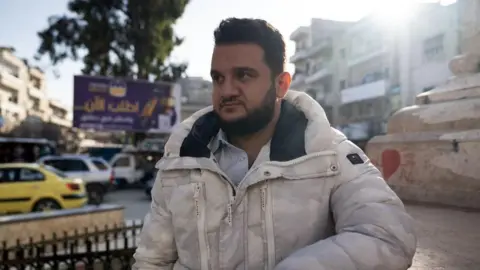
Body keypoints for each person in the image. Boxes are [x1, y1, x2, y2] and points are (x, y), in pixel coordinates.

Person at [133, 18, 417, 270]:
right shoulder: (181, 159)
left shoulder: (327, 152)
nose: (227, 90)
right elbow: (152, 260)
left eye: (243, 75)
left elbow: (387, 236)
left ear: (281, 84)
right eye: (218, 78)